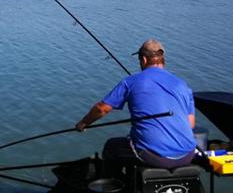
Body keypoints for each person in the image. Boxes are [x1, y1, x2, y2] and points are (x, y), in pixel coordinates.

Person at [75, 39, 196, 174]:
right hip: (187, 154)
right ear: (162, 60)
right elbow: (190, 124)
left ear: (143, 60)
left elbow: (102, 108)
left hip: (155, 157)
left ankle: (116, 188)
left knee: (111, 146)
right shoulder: (183, 85)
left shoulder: (131, 82)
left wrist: (83, 123)